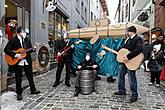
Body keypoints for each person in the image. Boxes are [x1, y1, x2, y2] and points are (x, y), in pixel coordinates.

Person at [4, 26, 40, 101]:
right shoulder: (13, 40)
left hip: (26, 61)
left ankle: (33, 89)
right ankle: (19, 93)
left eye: (24, 32)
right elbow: (6, 50)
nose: (24, 33)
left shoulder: (27, 40)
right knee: (18, 78)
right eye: (22, 32)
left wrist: (33, 48)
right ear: (18, 33)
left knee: (30, 76)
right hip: (17, 61)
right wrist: (16, 55)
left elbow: (29, 50)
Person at [114, 26, 143, 103]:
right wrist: (117, 52)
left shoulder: (137, 39)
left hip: (131, 62)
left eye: (128, 32)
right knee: (120, 75)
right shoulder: (129, 40)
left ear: (132, 32)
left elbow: (139, 49)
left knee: (131, 78)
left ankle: (134, 95)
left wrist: (128, 56)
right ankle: (121, 90)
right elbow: (124, 48)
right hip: (125, 62)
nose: (127, 33)